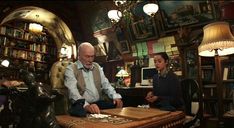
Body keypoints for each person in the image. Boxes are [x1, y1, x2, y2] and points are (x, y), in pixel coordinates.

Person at [64, 42, 123, 115]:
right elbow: (73, 92)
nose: (90, 60)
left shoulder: (97, 67)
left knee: (115, 104)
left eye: (92, 57)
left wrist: (115, 96)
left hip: (97, 103)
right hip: (80, 104)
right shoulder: (71, 68)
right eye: (87, 56)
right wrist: (87, 106)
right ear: (79, 56)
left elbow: (106, 84)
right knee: (80, 111)